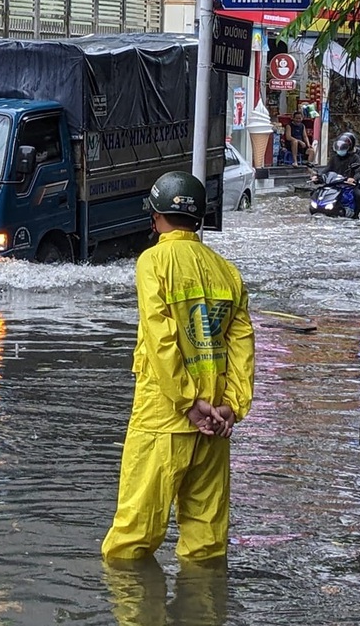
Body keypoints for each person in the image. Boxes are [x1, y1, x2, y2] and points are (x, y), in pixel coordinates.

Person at [102, 171, 255, 562]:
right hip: (215, 426)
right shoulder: (228, 271)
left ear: (155, 218)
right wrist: (231, 407)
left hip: (164, 420)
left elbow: (161, 339)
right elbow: (242, 347)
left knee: (130, 544)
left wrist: (188, 403)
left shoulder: (153, 263)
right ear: (199, 219)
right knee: (206, 547)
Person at [320, 134, 360, 216]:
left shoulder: (355, 157)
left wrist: (353, 179)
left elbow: (358, 172)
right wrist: (318, 176)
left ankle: (355, 215)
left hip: (349, 185)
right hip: (334, 183)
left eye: (343, 147)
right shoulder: (334, 158)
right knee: (317, 192)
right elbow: (327, 169)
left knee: (359, 195)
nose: (340, 149)